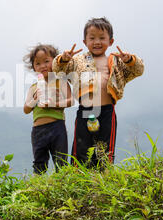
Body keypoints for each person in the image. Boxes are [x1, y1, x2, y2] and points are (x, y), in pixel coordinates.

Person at [52, 17, 144, 168]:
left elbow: (139, 70)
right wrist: (64, 58)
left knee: (104, 148)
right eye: (92, 38)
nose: (97, 42)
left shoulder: (116, 61)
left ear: (111, 41)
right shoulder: (77, 61)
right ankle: (79, 178)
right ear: (84, 41)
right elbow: (57, 69)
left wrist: (130, 60)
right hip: (86, 110)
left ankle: (104, 177)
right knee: (82, 146)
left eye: (102, 38)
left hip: (107, 111)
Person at [23, 44, 73, 174]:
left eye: (46, 61)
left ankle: (62, 187)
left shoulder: (60, 81)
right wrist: (34, 99)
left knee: (61, 160)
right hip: (38, 130)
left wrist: (55, 104)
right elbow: (26, 109)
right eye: (38, 63)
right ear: (34, 67)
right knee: (39, 162)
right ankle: (37, 189)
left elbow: (70, 101)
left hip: (57, 126)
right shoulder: (34, 87)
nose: (43, 66)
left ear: (55, 61)